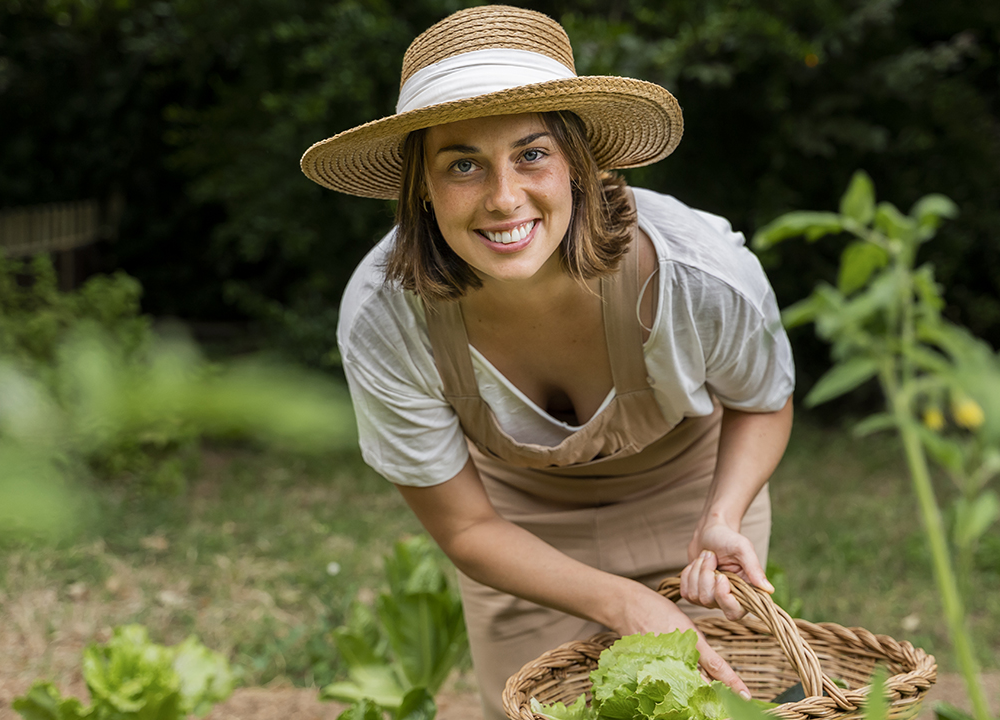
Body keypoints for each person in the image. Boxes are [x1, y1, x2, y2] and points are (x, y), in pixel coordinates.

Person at [300, 6, 794, 719]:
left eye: (532, 154)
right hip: (517, 530)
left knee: (711, 709)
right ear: (423, 191)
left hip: (690, 498)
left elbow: (763, 399)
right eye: (462, 164)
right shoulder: (385, 318)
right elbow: (468, 529)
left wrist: (724, 514)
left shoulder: (696, 276)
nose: (504, 199)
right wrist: (620, 602)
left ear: (580, 166)